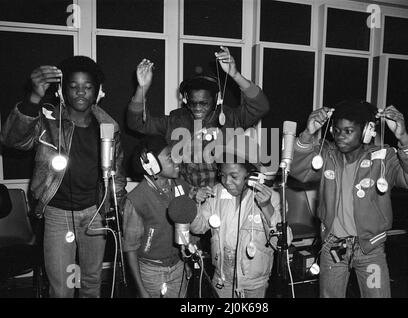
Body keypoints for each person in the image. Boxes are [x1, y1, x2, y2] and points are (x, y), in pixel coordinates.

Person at [0, 56, 127, 298]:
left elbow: (117, 175)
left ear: (99, 91)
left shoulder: (108, 126)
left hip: (95, 214)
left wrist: (119, 210)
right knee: (62, 288)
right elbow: (12, 139)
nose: (81, 92)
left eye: (88, 87)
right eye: (74, 86)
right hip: (58, 215)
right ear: (61, 90)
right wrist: (33, 98)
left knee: (91, 281)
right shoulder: (48, 119)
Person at [290, 100, 408, 298]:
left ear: (367, 131)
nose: (340, 136)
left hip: (370, 249)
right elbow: (298, 171)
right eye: (337, 130)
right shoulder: (326, 155)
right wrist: (307, 134)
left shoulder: (383, 159)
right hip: (332, 245)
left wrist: (403, 138)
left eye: (348, 131)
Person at [126, 46, 270, 194]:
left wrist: (235, 74)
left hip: (225, 195)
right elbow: (136, 122)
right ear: (185, 99)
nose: (197, 108)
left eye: (204, 103)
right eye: (193, 103)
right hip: (187, 198)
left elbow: (261, 106)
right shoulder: (175, 121)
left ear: (216, 100)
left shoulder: (230, 118)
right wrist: (141, 88)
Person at [189, 135, 281, 298]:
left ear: (252, 175)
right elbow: (197, 227)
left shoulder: (271, 198)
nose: (227, 182)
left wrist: (266, 207)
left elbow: (279, 243)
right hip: (222, 278)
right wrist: (195, 204)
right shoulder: (216, 193)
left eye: (234, 176)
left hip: (253, 284)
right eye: (222, 175)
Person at [122, 135, 195, 298]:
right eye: (170, 157)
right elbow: (130, 248)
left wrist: (185, 263)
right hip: (151, 272)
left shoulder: (182, 186)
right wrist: (140, 288)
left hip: (178, 268)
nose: (177, 159)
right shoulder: (136, 200)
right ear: (151, 165)